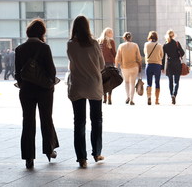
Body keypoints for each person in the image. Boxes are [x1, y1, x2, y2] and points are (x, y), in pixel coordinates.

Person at [14, 18, 59, 169]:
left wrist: (23, 85)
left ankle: (28, 157)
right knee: (46, 119)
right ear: (42, 32)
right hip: (44, 90)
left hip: (26, 90)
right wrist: (52, 83)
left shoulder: (20, 49)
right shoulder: (44, 48)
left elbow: (18, 72)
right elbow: (51, 70)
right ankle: (49, 150)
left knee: (28, 121)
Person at [67, 15, 105, 168]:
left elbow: (72, 62)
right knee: (96, 120)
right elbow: (101, 65)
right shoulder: (94, 44)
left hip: (77, 86)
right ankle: (96, 153)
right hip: (94, 86)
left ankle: (82, 158)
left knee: (79, 122)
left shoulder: (70, 44)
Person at [115, 32, 141, 105]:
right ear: (130, 37)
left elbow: (117, 57)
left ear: (124, 38)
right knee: (132, 83)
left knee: (126, 82)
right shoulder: (135, 45)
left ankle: (128, 96)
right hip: (134, 66)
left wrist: (116, 66)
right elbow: (138, 57)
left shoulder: (121, 46)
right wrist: (140, 65)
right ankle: (132, 99)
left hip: (125, 67)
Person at [162, 30, 185, 105]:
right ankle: (174, 95)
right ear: (173, 36)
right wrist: (177, 54)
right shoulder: (176, 43)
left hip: (169, 64)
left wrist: (162, 67)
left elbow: (163, 57)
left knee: (170, 82)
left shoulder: (165, 45)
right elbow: (183, 53)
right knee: (176, 82)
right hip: (177, 64)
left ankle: (171, 95)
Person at [144, 31, 164, 105]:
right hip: (157, 65)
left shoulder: (146, 44)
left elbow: (145, 53)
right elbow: (162, 55)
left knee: (149, 82)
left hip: (149, 65)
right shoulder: (159, 45)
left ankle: (149, 97)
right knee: (157, 82)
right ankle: (156, 100)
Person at [97, 27, 116, 104]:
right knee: (110, 81)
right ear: (108, 33)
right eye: (111, 33)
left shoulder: (99, 41)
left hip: (101, 63)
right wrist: (117, 62)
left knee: (103, 80)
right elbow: (114, 52)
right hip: (110, 63)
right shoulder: (111, 41)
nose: (112, 34)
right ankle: (109, 98)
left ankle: (104, 97)